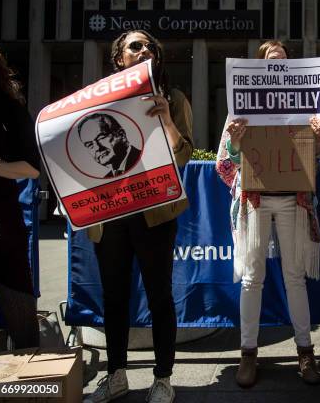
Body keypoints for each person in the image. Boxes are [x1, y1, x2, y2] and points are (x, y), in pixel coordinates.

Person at [83, 30, 194, 403]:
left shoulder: (173, 97)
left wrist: (167, 121)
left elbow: (184, 156)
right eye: (135, 46)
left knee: (159, 295)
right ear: (119, 59)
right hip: (109, 214)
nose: (144, 49)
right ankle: (116, 375)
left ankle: (162, 378)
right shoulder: (96, 99)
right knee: (114, 298)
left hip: (155, 213)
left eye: (150, 46)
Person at [215, 40, 320, 388]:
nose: (275, 66)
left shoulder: (310, 104)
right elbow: (226, 161)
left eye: (281, 61)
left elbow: (314, 158)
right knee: (252, 278)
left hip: (293, 199)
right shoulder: (240, 107)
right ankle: (247, 352)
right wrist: (236, 140)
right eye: (268, 60)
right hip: (256, 200)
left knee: (295, 277)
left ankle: (305, 351)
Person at [0, 44, 40, 350]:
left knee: (20, 315)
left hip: (2, 225)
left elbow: (32, 169)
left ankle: (31, 385)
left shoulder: (8, 108)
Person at [77, 112, 142, 178]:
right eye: (90, 145)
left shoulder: (144, 158)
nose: (97, 148)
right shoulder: (106, 179)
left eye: (101, 138)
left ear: (121, 134)